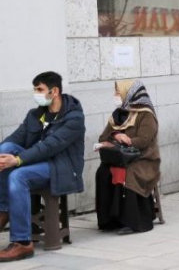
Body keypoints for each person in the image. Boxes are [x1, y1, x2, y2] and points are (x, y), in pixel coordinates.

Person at [0, 72, 85, 262]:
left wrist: (18, 160)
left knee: (18, 175)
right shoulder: (36, 114)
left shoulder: (74, 118)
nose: (36, 93)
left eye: (39, 89)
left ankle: (22, 243)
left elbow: (49, 147)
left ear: (54, 91)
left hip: (61, 167)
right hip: (37, 161)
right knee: (5, 149)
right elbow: (16, 138)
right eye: (34, 89)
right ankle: (3, 210)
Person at [95, 80, 160, 235]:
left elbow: (144, 140)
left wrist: (128, 140)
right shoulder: (118, 114)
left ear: (129, 94)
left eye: (118, 92)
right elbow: (103, 136)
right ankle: (109, 220)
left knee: (128, 173)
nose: (115, 96)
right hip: (122, 156)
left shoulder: (146, 114)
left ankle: (133, 221)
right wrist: (116, 135)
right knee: (103, 172)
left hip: (143, 158)